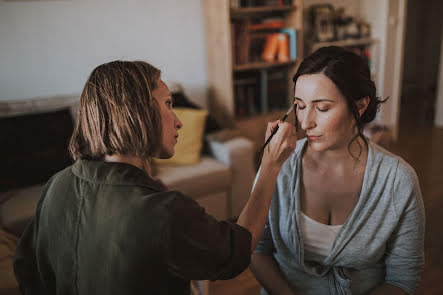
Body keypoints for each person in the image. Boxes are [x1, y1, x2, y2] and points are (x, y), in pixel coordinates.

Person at [13, 60, 297, 294]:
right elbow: (237, 250)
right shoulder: (162, 212)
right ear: (137, 110)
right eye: (169, 104)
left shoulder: (57, 185)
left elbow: (27, 272)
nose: (179, 121)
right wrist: (270, 164)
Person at [250, 46, 425, 295]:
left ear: (360, 106)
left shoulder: (399, 181)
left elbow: (403, 278)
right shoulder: (279, 164)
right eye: (300, 106)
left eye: (322, 108)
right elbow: (256, 249)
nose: (305, 122)